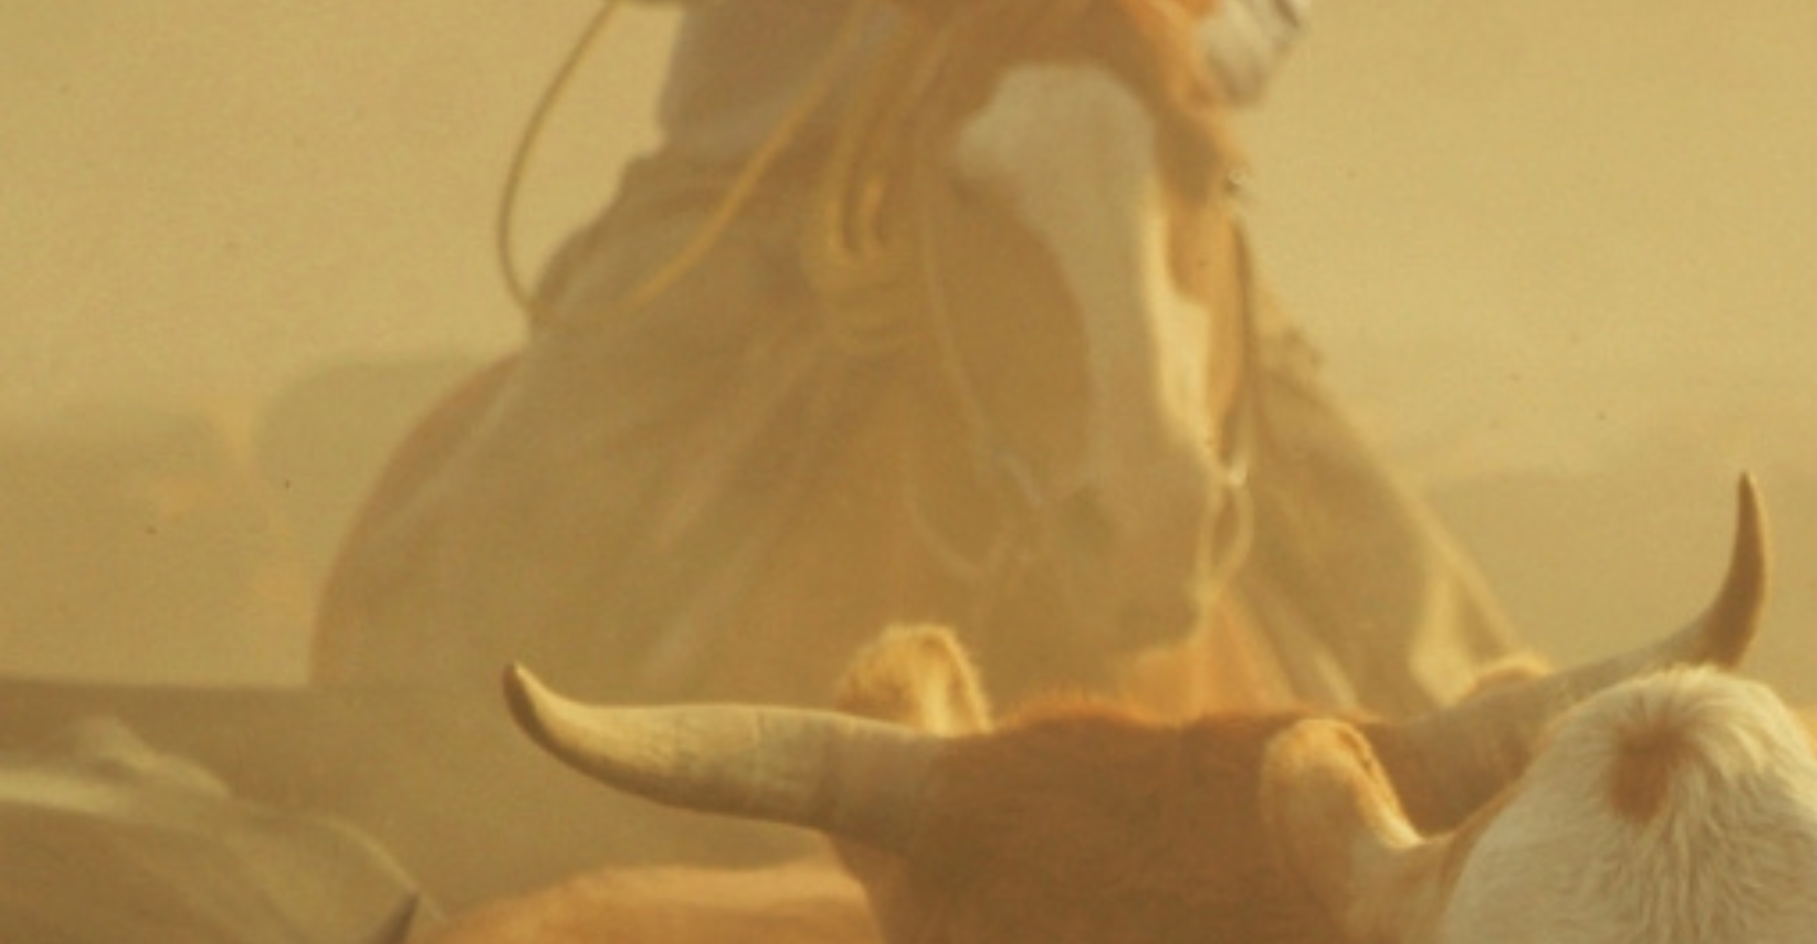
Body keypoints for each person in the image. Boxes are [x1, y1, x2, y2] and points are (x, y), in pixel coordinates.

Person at [313, 0, 1514, 715]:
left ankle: (1491, 774)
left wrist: (1175, 27)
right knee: (548, 466)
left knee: (1328, 480)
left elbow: (1259, 13)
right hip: (758, 182)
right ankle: (440, 779)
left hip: (1097, 140)